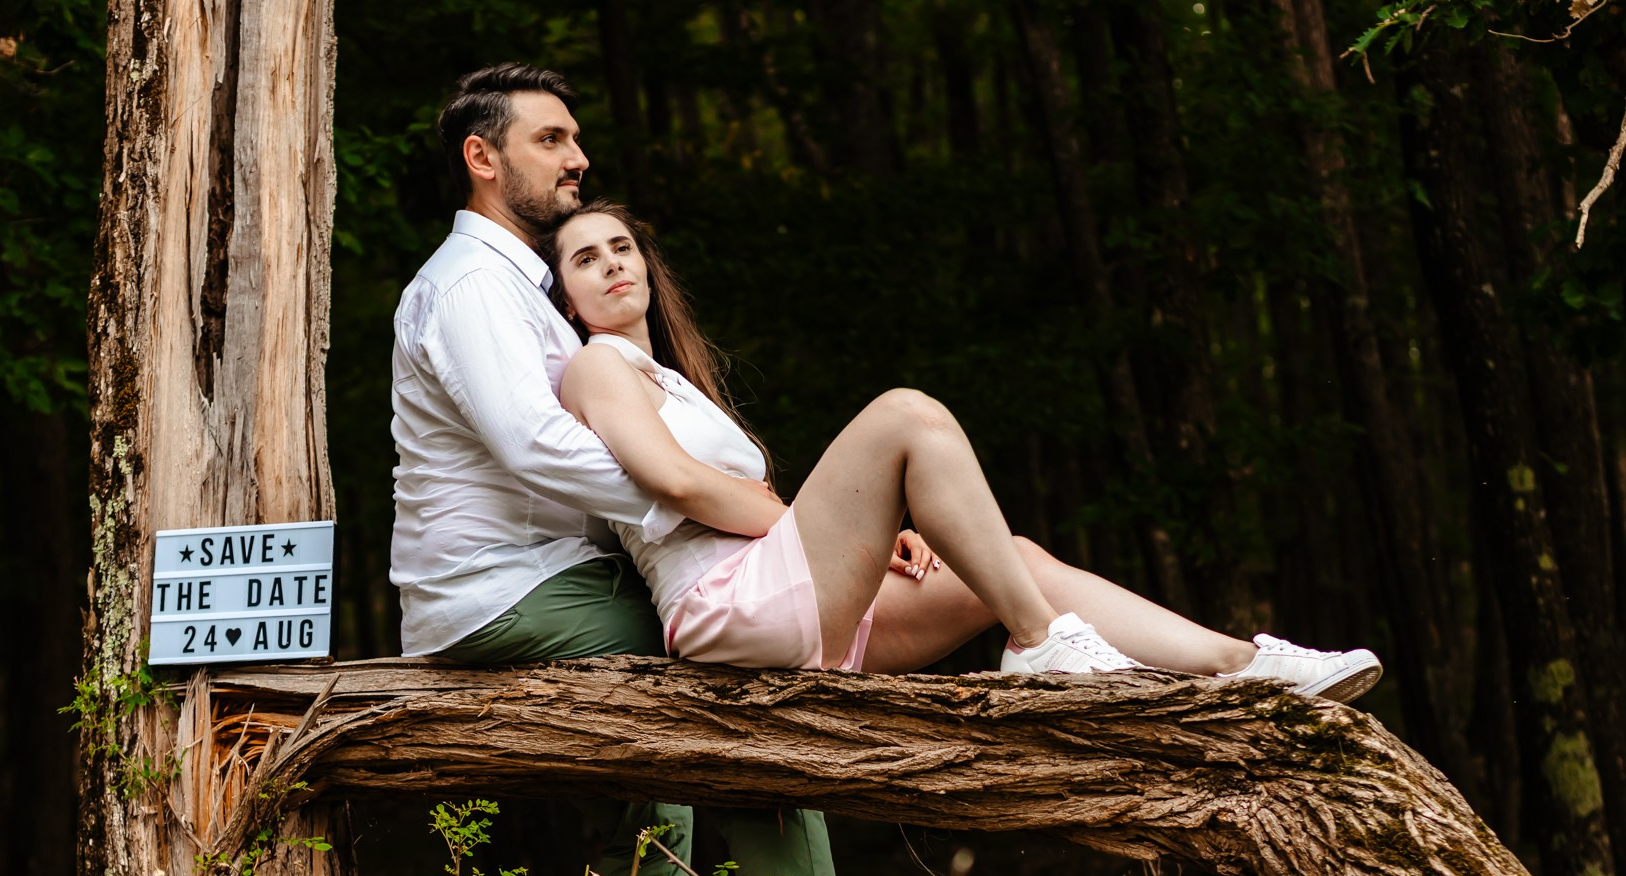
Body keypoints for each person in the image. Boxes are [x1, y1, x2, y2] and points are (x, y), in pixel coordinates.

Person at [389, 65, 896, 876]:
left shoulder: (526, 287)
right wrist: (729, 513)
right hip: (496, 594)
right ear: (483, 157)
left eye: (576, 140)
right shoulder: (470, 287)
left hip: (551, 578)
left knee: (719, 719)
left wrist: (787, 533)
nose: (577, 160)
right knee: (725, 698)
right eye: (552, 139)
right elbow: (538, 450)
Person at [542, 200, 1384, 696]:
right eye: (586, 257)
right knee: (907, 412)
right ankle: (1040, 644)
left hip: (791, 600)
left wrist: (855, 535)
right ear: (569, 296)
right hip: (731, 608)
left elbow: (734, 496)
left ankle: (1246, 667)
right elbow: (676, 483)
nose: (613, 264)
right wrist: (834, 530)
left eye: (622, 247)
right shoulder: (594, 363)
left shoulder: (671, 378)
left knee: (1013, 560)